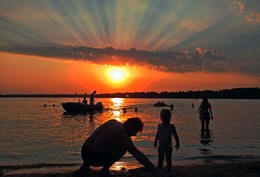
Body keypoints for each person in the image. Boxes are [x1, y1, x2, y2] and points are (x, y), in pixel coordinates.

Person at [77, 117, 166, 177]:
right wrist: (155, 170)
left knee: (103, 142)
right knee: (124, 149)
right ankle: (104, 170)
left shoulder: (113, 121)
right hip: (94, 158)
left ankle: (85, 166)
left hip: (84, 152)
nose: (135, 134)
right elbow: (137, 154)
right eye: (136, 131)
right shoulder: (122, 134)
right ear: (131, 126)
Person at [154, 109, 180, 173]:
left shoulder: (171, 127)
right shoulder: (159, 126)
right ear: (161, 118)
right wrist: (155, 141)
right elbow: (158, 134)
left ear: (169, 118)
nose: (164, 119)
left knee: (168, 159)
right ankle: (159, 169)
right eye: (163, 117)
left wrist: (177, 143)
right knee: (160, 159)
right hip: (161, 146)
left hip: (168, 146)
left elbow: (175, 135)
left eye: (166, 117)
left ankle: (169, 170)